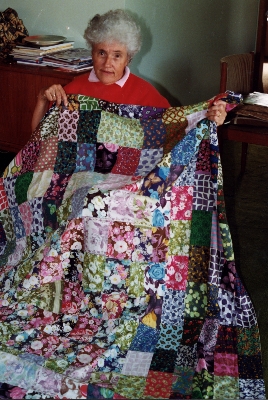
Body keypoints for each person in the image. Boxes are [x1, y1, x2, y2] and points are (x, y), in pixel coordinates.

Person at [31, 9, 227, 132]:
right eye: (101, 52)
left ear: (128, 58)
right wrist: (42, 99)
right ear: (91, 52)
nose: (108, 63)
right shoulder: (73, 90)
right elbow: (39, 138)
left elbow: (177, 128)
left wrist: (210, 119)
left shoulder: (145, 93)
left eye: (117, 55)